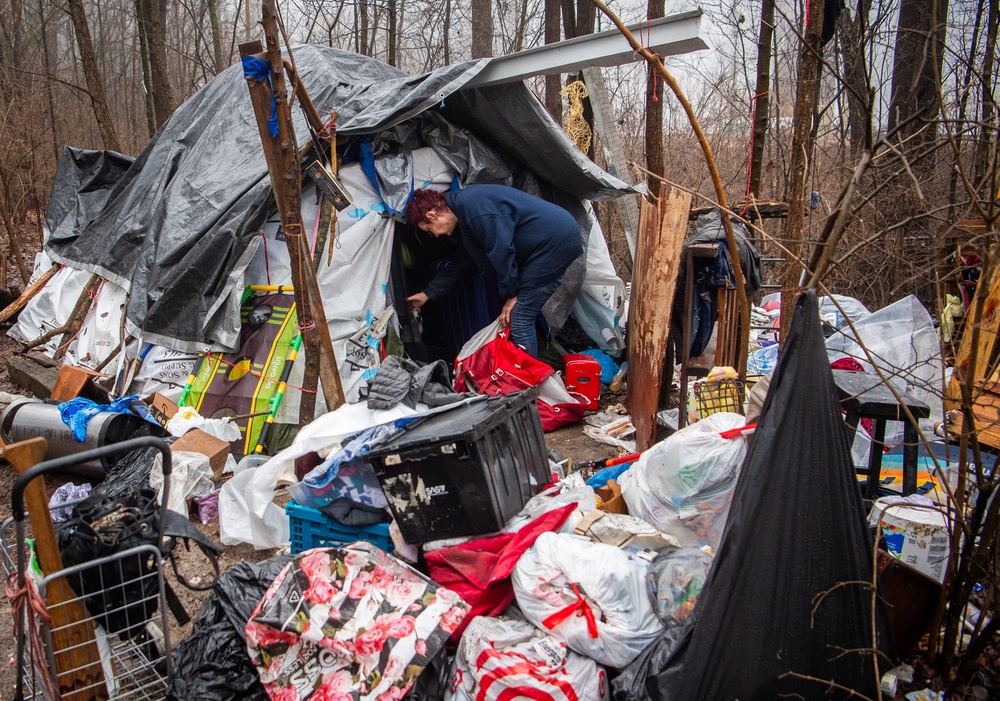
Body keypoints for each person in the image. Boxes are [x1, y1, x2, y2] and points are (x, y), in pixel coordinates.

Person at [405, 184, 583, 358]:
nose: (435, 235)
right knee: (513, 315)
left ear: (432, 215)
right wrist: (427, 294)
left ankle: (527, 376)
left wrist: (512, 294)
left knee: (520, 317)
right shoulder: (464, 215)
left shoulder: (474, 208)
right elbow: (461, 262)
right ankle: (519, 368)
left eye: (429, 229)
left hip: (555, 242)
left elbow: (502, 252)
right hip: (544, 249)